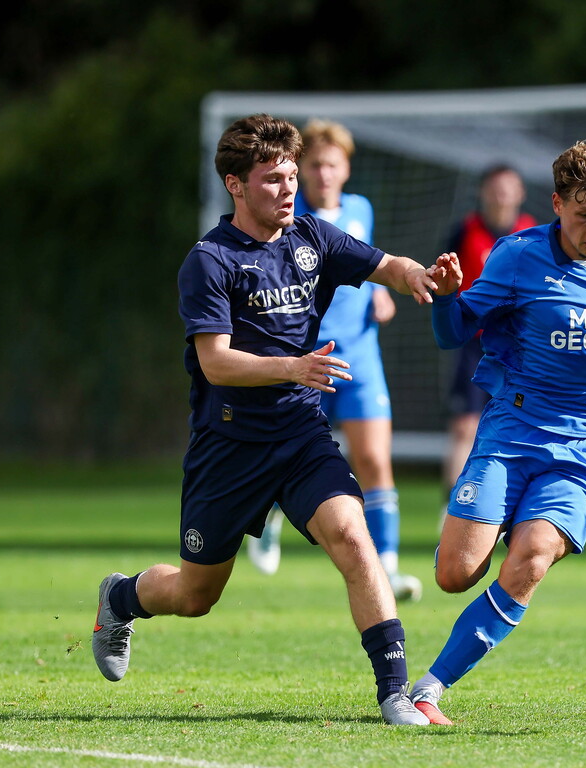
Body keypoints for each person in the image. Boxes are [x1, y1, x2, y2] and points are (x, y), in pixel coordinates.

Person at [91, 113, 454, 726]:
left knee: (352, 537)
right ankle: (121, 597)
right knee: (194, 595)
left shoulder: (314, 237)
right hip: (228, 445)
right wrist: (292, 366)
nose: (287, 189)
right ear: (235, 185)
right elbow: (216, 363)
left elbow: (386, 265)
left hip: (299, 433)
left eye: (291, 176)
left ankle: (394, 693)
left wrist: (424, 277)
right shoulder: (209, 260)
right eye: (271, 179)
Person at [410, 141, 586, 725]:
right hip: (512, 433)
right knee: (455, 575)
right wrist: (445, 299)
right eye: (584, 214)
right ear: (556, 204)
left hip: (583, 451)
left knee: (529, 562)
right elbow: (454, 334)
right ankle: (491, 522)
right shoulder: (517, 257)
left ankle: (427, 689)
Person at [247, 118, 422, 602]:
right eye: (315, 165)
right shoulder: (291, 217)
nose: (324, 174)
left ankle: (387, 567)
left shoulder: (360, 209)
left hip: (361, 356)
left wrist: (381, 296)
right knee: (289, 456)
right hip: (306, 359)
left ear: (346, 170)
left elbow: (364, 264)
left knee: (372, 459)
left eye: (333, 165)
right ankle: (266, 524)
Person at [442, 164, 537, 498]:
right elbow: (443, 285)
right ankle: (450, 508)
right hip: (475, 346)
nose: (501, 194)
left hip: (520, 349)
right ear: (483, 192)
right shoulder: (465, 231)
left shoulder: (534, 234)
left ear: (520, 193)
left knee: (522, 425)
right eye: (495, 187)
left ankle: (512, 507)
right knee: (465, 427)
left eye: (508, 187)